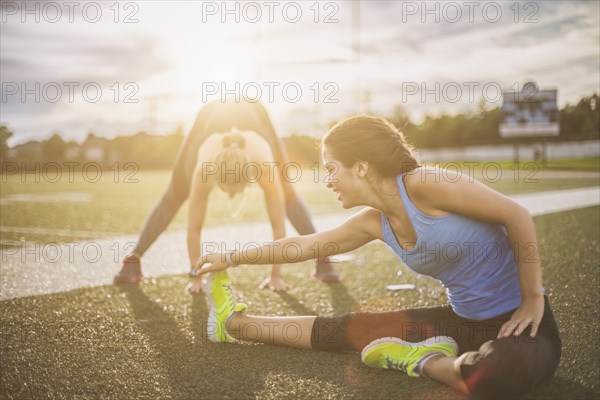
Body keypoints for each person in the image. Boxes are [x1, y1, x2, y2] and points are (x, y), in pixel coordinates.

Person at [193, 115, 562, 398]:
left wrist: (532, 300)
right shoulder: (373, 223)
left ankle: (418, 359)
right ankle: (236, 324)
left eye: (332, 168)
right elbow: (303, 246)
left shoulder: (425, 184)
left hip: (525, 325)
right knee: (350, 327)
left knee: (498, 371)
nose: (328, 180)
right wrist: (232, 256)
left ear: (362, 168)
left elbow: (516, 216)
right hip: (460, 324)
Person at [114, 100, 340, 290]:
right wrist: (196, 276)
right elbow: (194, 229)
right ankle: (133, 260)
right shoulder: (203, 168)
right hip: (210, 114)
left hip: (254, 111)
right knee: (175, 192)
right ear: (215, 177)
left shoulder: (264, 166)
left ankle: (322, 259)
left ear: (250, 176)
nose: (230, 196)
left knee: (287, 193)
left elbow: (278, 226)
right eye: (225, 189)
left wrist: (275, 276)